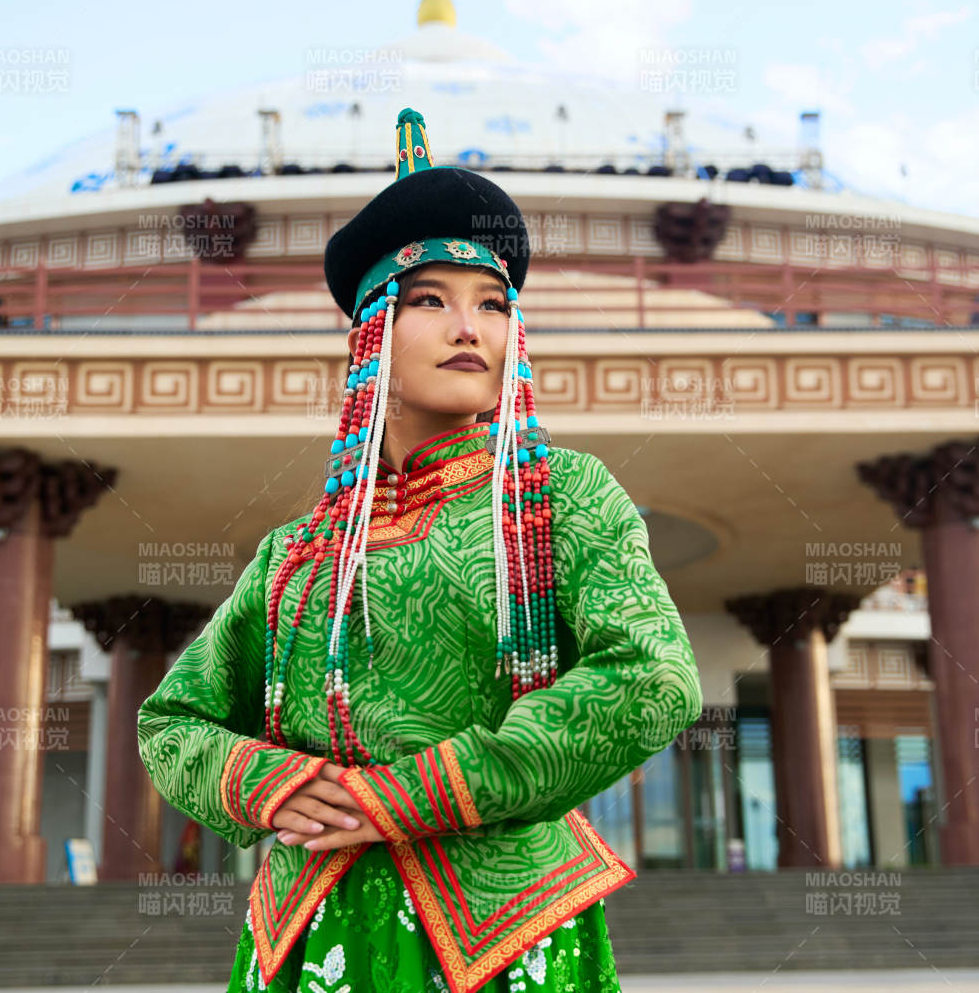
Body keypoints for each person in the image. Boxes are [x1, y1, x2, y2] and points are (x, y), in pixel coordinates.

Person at [137, 108, 703, 993]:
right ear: (368, 330)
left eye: (492, 304)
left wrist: (407, 797)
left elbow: (654, 678)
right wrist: (264, 780)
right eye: (430, 300)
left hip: (505, 931)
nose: (468, 327)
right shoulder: (296, 552)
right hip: (307, 931)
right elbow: (171, 724)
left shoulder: (563, 497)